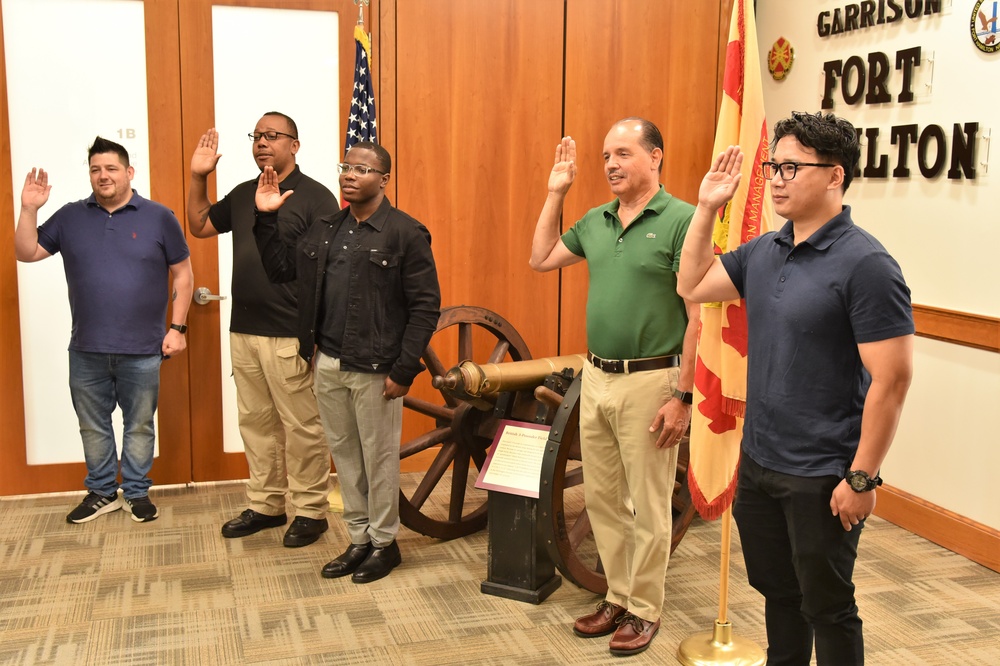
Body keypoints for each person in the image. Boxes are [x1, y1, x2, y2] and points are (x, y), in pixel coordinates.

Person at [677, 111, 914, 665]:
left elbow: (893, 379)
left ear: (835, 176)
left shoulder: (868, 264)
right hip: (759, 464)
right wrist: (708, 206)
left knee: (827, 606)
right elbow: (692, 283)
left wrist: (862, 476)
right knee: (778, 595)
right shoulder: (764, 251)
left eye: (791, 166)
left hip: (822, 474)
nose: (777, 178)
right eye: (773, 166)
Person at [529, 118, 700, 657]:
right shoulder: (596, 219)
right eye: (605, 156)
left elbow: (698, 317)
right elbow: (541, 258)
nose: (610, 165)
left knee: (649, 504)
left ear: (656, 158)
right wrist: (555, 192)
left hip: (653, 381)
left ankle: (645, 609)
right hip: (596, 376)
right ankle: (618, 596)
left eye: (623, 153)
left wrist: (684, 395)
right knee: (604, 499)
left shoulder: (683, 220)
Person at [253, 140, 441, 583]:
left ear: (384, 179)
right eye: (345, 166)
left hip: (376, 370)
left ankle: (384, 544)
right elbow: (280, 270)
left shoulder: (405, 233)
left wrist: (403, 369)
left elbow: (425, 306)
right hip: (329, 363)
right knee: (347, 458)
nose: (349, 174)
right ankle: (358, 540)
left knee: (378, 460)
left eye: (362, 168)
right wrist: (265, 218)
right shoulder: (325, 229)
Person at [14, 136, 193, 524]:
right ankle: (100, 492)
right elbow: (26, 252)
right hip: (86, 347)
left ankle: (136, 492)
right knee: (93, 425)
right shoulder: (70, 216)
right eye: (95, 169)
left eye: (111, 168)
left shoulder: (160, 217)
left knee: (139, 424)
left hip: (143, 348)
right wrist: (28, 208)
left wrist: (177, 327)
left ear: (129, 172)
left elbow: (183, 274)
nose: (102, 176)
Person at [187, 112, 340, 548]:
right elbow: (198, 226)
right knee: (256, 422)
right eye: (256, 136)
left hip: (291, 331)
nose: (262, 143)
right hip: (245, 330)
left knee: (302, 425)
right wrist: (198, 177)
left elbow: (330, 270)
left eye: (273, 136)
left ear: (295, 145)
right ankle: (266, 505)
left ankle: (311, 510)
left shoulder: (316, 198)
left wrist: (318, 335)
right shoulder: (242, 194)